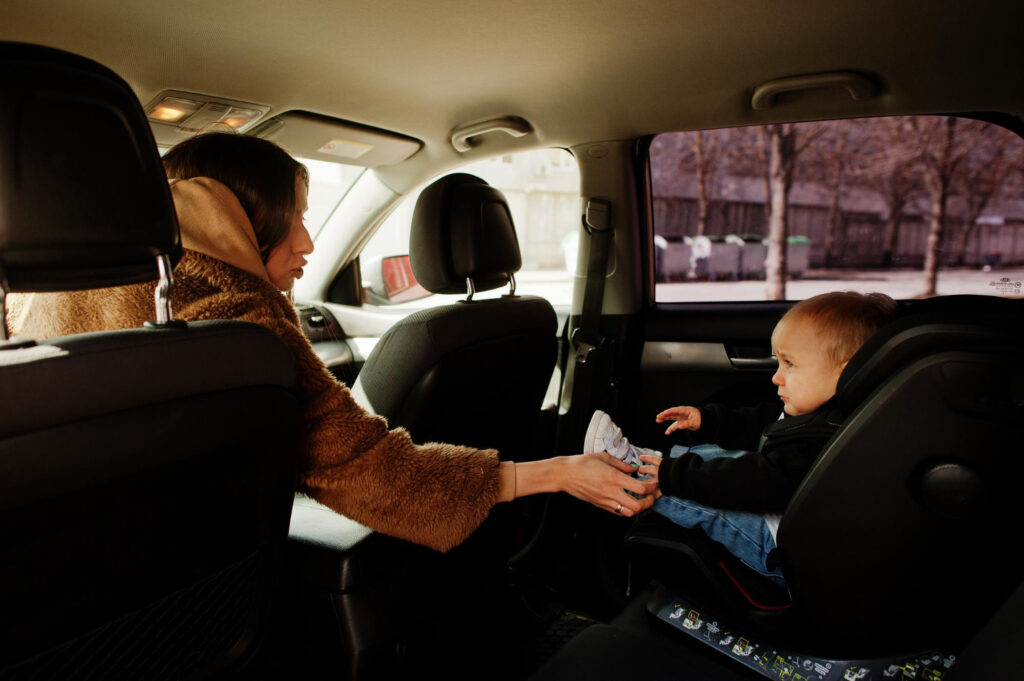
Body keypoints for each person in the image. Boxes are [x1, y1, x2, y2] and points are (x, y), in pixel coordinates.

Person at [6, 131, 658, 552]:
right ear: (239, 221)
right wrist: (558, 471)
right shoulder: (247, 338)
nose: (309, 246)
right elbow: (381, 475)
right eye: (296, 220)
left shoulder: (30, 335)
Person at [583, 291, 899, 583]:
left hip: (780, 547)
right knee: (711, 453)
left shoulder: (823, 441)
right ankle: (648, 463)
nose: (777, 376)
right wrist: (706, 420)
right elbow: (761, 423)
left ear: (846, 373)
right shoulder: (818, 414)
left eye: (790, 364)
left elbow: (756, 481)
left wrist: (672, 477)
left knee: (704, 495)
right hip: (782, 511)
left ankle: (639, 480)